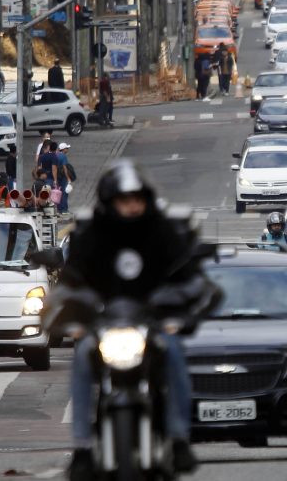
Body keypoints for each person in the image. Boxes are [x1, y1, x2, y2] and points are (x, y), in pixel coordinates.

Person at [51, 160, 216, 480]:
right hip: (104, 325)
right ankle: (82, 446)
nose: (132, 206)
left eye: (137, 199)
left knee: (174, 353)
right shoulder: (92, 233)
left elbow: (187, 275)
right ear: (110, 202)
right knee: (83, 358)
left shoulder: (162, 231)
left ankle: (180, 438)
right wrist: (63, 312)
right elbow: (72, 280)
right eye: (124, 200)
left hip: (151, 324)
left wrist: (183, 307)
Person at [56, 143, 75, 213]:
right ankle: (64, 209)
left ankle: (59, 208)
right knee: (64, 193)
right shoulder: (63, 156)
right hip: (63, 177)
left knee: (58, 192)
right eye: (67, 148)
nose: (67, 149)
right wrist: (68, 178)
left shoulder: (56, 155)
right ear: (63, 149)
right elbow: (65, 168)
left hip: (57, 177)